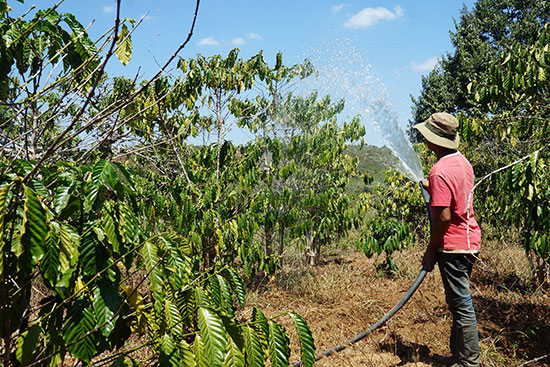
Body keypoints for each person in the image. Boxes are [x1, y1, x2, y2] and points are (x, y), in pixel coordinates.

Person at [413, 112, 482, 367]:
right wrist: (432, 188)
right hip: (469, 239)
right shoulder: (462, 162)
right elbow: (457, 194)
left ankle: (469, 363)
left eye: (426, 136)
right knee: (457, 302)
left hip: (452, 246)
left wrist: (431, 250)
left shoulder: (439, 170)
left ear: (435, 141)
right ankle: (459, 357)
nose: (424, 139)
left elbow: (442, 217)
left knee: (462, 305)